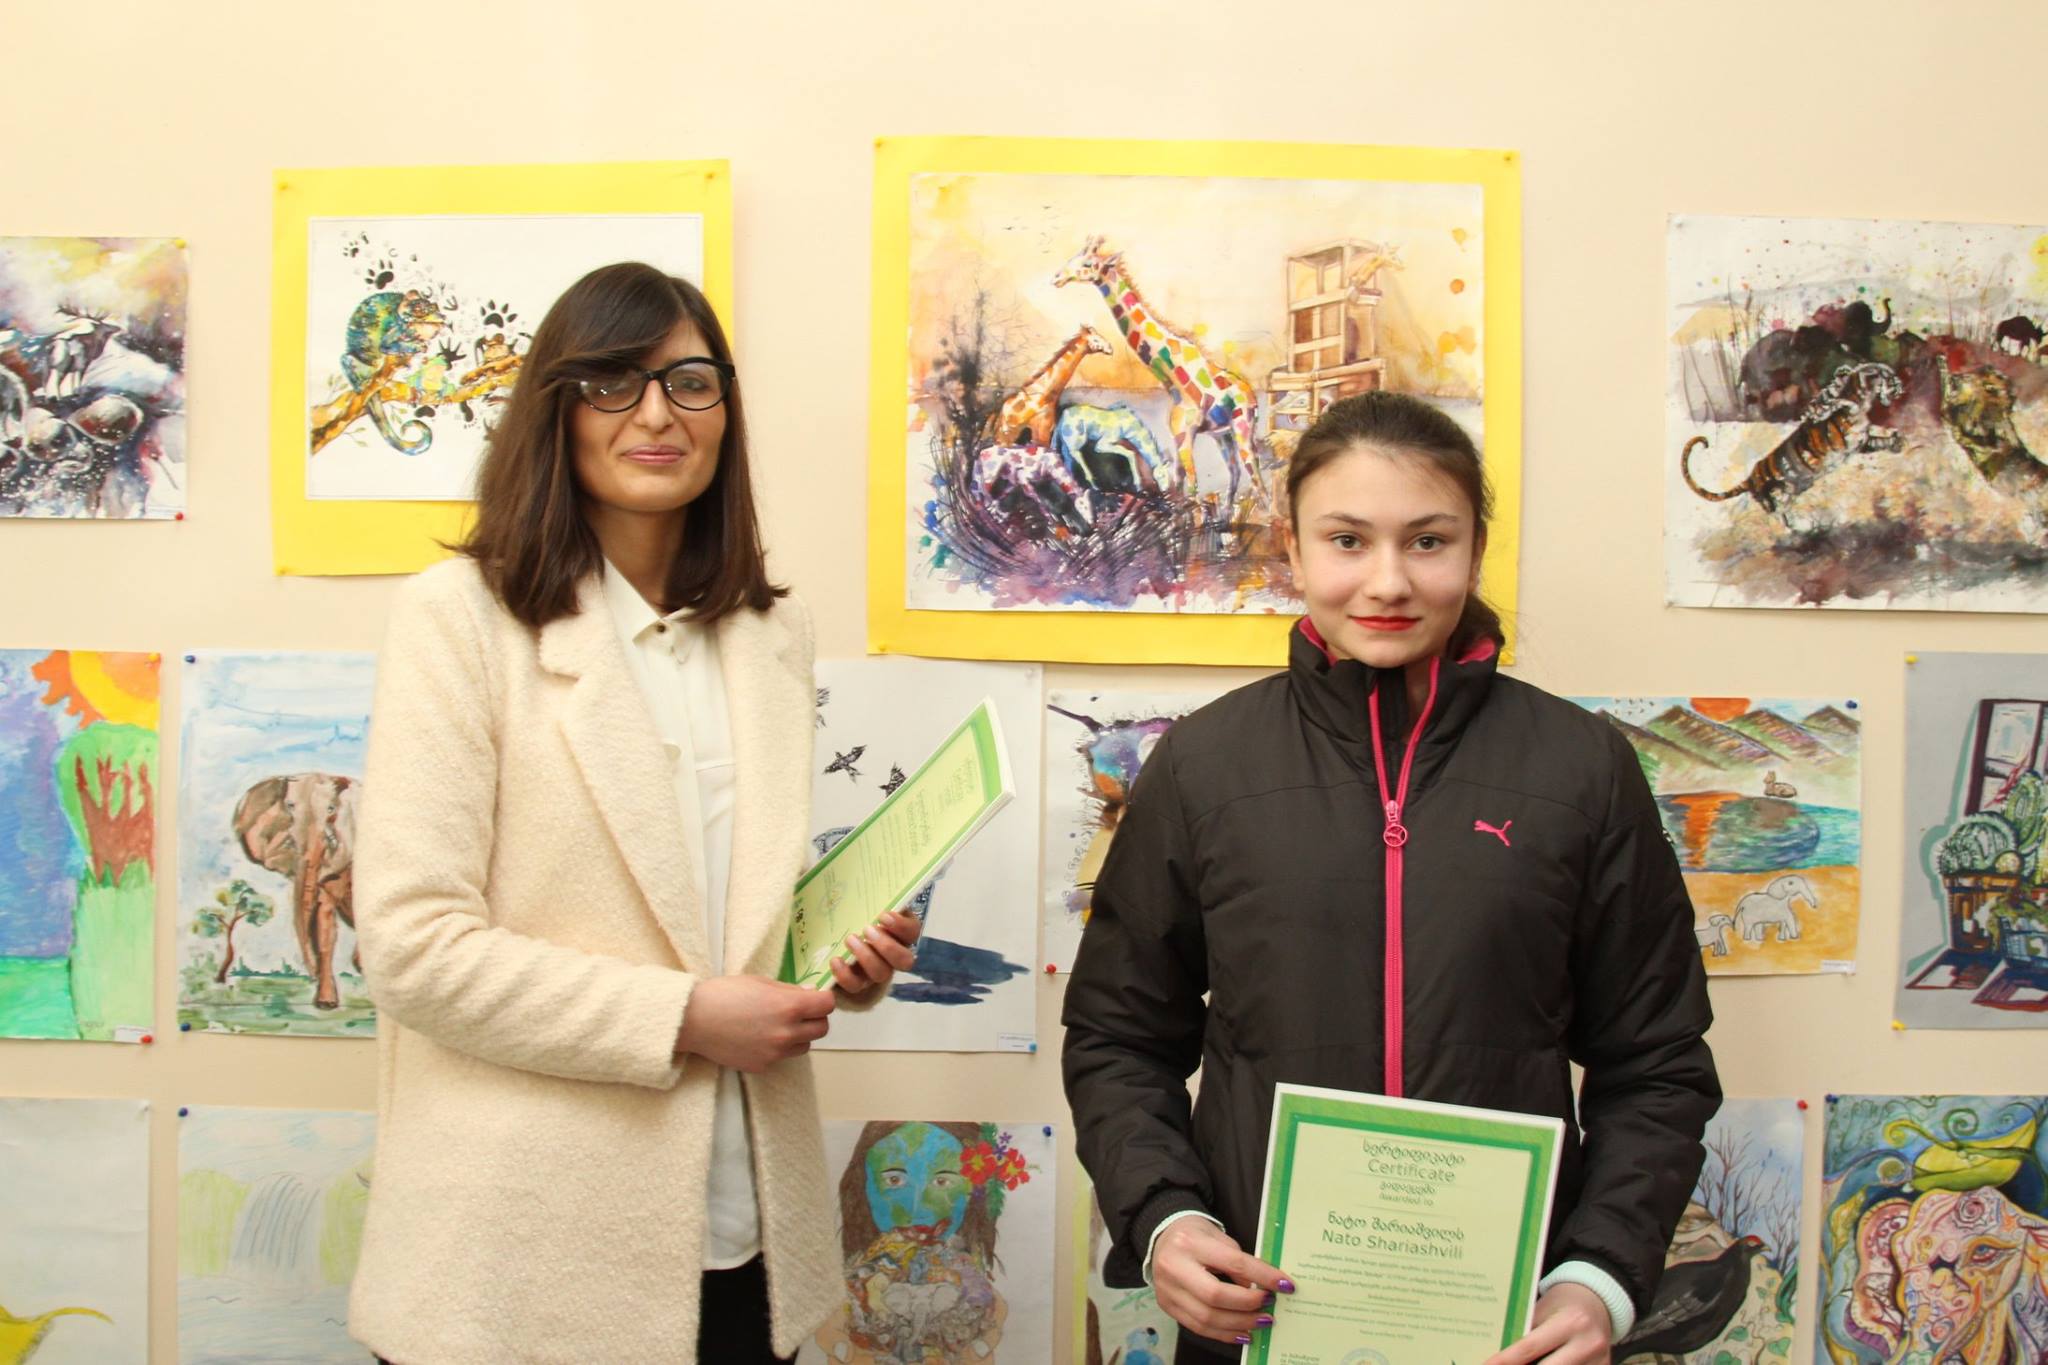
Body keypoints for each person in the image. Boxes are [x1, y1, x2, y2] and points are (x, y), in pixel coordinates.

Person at [1062, 391, 1720, 1365]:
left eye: (1427, 541)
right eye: (1346, 540)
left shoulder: (1581, 768)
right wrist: (1165, 1218)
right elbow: (1117, 1036)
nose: (1387, 581)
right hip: (1261, 1318)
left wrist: (1601, 1277)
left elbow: (1656, 1061)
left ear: (1474, 550)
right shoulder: (1205, 767)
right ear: (1291, 551)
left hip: (1510, 1333)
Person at [347, 262, 920, 1365]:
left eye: (689, 382)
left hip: (746, 1238)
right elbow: (413, 949)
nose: (657, 413)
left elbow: (721, 919)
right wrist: (686, 1016)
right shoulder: (458, 619)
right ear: (554, 411)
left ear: (725, 413)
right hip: (518, 1261)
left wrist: (833, 962)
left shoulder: (769, 634)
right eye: (612, 382)